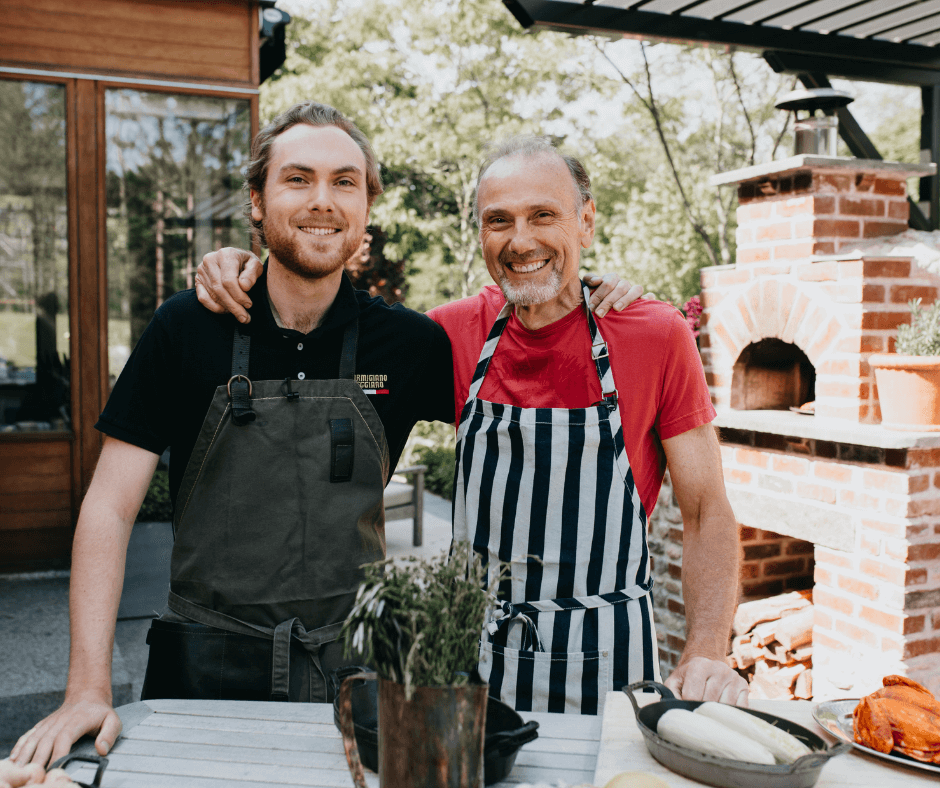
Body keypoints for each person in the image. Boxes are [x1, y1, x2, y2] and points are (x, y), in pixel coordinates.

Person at [11, 103, 635, 769]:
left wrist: (586, 290)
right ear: (257, 200)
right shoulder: (185, 329)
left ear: (366, 206)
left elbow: (531, 359)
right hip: (199, 667)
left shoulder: (412, 344)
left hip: (358, 681)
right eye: (297, 178)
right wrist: (86, 689)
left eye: (344, 182)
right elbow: (108, 508)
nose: (322, 201)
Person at [193, 136, 748, 714]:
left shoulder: (654, 335)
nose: (521, 240)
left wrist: (707, 647)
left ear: (585, 222)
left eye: (544, 216)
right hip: (471, 665)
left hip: (607, 667)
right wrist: (243, 267)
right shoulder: (449, 336)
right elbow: (317, 326)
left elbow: (706, 507)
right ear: (480, 233)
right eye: (498, 221)